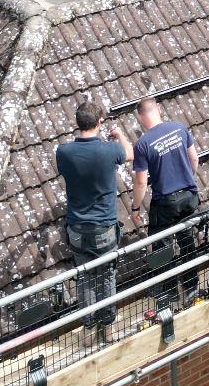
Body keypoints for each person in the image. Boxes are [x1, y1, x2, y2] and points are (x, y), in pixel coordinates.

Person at [54, 101, 132, 337]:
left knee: (85, 277)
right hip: (104, 228)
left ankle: (87, 329)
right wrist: (119, 134)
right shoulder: (109, 150)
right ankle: (107, 326)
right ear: (99, 122)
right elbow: (129, 153)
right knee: (107, 275)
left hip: (77, 228)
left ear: (78, 124)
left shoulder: (64, 152)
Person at [130, 97, 200, 311]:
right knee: (187, 240)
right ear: (158, 110)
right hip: (189, 195)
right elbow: (194, 159)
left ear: (141, 117)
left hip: (166, 202)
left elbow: (141, 181)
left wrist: (135, 208)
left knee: (161, 245)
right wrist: (188, 180)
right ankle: (191, 288)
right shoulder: (179, 127)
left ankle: (169, 291)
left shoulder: (143, 144)